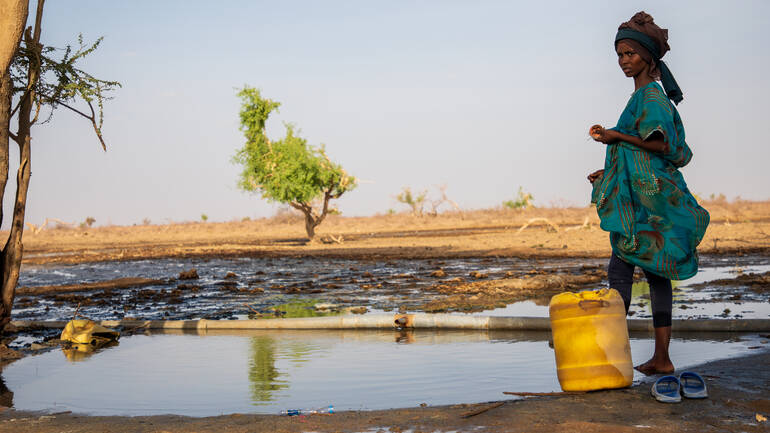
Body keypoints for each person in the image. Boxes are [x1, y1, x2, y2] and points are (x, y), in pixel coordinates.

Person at [587, 11, 709, 375]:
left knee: (621, 269)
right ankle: (661, 358)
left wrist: (614, 136)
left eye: (630, 54)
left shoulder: (651, 97)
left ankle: (613, 359)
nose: (624, 61)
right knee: (655, 274)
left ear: (648, 58)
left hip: (649, 202)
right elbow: (641, 152)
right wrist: (609, 170)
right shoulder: (642, 95)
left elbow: (657, 144)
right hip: (647, 197)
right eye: (620, 55)